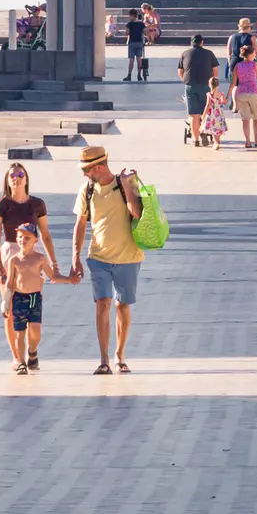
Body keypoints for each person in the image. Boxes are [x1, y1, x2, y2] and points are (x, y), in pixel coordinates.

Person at [70, 146, 144, 375]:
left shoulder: (127, 184)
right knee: (103, 304)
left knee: (122, 306)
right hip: (98, 256)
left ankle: (120, 355)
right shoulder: (87, 190)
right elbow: (80, 224)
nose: (84, 174)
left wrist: (127, 186)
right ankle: (103, 359)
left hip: (128, 256)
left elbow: (137, 213)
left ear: (99, 167)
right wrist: (75, 256)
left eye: (86, 169)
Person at [0, 221, 78, 374]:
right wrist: (6, 301)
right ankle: (21, 362)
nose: (23, 240)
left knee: (35, 330)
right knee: (20, 332)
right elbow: (9, 283)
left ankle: (32, 351)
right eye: (20, 237)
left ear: (35, 240)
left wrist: (69, 279)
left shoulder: (40, 259)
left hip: (34, 298)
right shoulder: (13, 260)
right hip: (19, 299)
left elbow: (52, 275)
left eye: (27, 237)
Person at [0, 161, 60, 313]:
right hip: (10, 253)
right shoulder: (2, 205)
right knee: (10, 305)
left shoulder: (37, 204)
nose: (17, 178)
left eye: (20, 174)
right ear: (8, 181)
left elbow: (45, 235)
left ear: (26, 179)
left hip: (32, 254)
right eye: (12, 175)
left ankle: (29, 336)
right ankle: (13, 338)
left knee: (31, 303)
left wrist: (53, 263)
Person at [177, 33, 219, 141]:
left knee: (193, 114)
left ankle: (195, 140)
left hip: (190, 85)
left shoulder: (185, 53)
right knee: (205, 112)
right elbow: (215, 71)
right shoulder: (209, 54)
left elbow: (180, 72)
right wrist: (211, 84)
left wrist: (186, 81)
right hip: (205, 86)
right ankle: (203, 130)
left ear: (191, 43)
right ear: (202, 42)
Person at [229, 43, 257, 148]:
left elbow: (233, 83)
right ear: (251, 54)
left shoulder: (237, 66)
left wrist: (228, 95)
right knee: (256, 118)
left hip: (242, 94)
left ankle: (247, 141)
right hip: (254, 93)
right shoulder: (255, 65)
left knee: (245, 120)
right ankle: (256, 140)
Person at [199, 77, 230, 146]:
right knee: (218, 127)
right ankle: (217, 141)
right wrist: (226, 98)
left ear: (209, 85)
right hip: (219, 114)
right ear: (218, 85)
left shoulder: (209, 94)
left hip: (211, 114)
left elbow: (208, 105)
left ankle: (216, 143)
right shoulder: (220, 94)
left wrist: (203, 115)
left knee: (213, 128)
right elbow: (225, 102)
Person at [122, 7, 146, 81]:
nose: (129, 17)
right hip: (139, 42)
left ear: (132, 16)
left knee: (131, 60)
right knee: (139, 59)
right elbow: (146, 32)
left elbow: (126, 33)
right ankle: (139, 75)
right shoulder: (141, 24)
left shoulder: (130, 24)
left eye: (130, 15)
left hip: (132, 42)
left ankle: (129, 75)